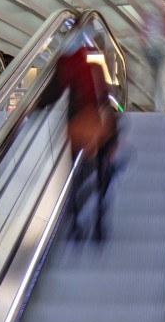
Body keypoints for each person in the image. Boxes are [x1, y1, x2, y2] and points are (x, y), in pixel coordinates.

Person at [37, 30, 119, 241]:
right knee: (103, 174)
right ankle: (100, 224)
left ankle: (76, 226)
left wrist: (32, 108)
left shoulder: (65, 64)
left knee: (76, 175)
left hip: (77, 128)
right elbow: (106, 99)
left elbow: (53, 93)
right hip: (98, 126)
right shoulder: (95, 65)